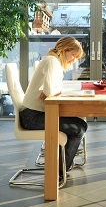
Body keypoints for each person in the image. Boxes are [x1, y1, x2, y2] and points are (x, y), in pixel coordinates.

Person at [20, 36, 88, 182]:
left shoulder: (53, 61)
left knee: (82, 124)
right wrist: (52, 89)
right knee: (78, 129)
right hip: (32, 116)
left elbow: (53, 89)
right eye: (73, 56)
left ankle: (62, 165)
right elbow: (51, 91)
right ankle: (58, 173)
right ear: (65, 50)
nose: (73, 60)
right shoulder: (52, 62)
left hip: (36, 113)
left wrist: (52, 89)